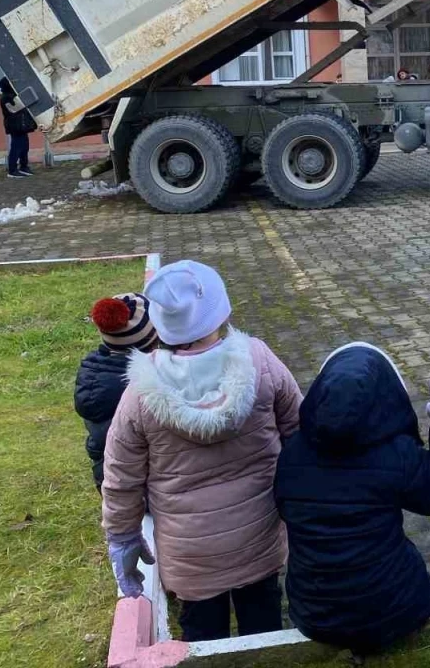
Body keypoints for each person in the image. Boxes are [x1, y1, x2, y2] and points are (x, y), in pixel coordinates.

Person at [101, 260, 303, 642]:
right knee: (262, 628)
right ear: (218, 310)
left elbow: (121, 479)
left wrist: (123, 537)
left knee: (203, 637)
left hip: (190, 557)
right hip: (258, 535)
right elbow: (301, 431)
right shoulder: (260, 362)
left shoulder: (139, 395)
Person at [275, 345, 430, 655]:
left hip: (314, 612)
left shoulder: (292, 453)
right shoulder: (398, 454)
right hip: (391, 610)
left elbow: (284, 507)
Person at [75, 293, 160, 490]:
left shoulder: (93, 372)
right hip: (146, 483)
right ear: (152, 339)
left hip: (108, 475)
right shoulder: (143, 385)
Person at [0, 76, 37, 178]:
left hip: (21, 125)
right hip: (15, 126)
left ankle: (24, 167)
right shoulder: (6, 97)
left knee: (24, 147)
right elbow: (13, 109)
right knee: (16, 148)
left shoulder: (14, 94)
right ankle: (12, 170)